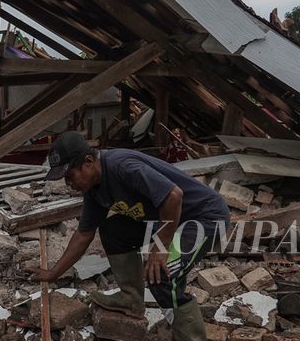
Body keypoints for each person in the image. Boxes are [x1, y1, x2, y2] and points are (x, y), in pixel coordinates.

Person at [30, 131, 230, 341]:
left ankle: (191, 337)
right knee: (112, 231)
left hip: (202, 218)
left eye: (69, 176)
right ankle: (131, 299)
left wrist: (160, 249)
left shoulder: (122, 167)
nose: (68, 184)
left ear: (88, 162)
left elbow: (173, 196)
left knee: (160, 275)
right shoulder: (94, 190)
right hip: (165, 219)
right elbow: (83, 234)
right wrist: (53, 273)